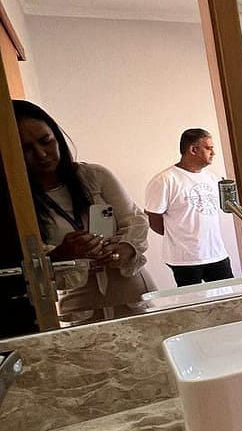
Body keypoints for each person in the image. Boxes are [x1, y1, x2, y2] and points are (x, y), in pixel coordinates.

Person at [13, 100, 152, 324]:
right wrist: (64, 254)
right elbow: (30, 265)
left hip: (132, 294)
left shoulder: (95, 176)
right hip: (79, 306)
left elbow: (135, 220)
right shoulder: (18, 201)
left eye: (46, 141)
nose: (41, 154)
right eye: (26, 149)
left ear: (57, 136)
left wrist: (125, 248)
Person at [145, 129, 234, 288]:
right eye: (208, 148)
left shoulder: (212, 178)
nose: (213, 153)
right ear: (193, 150)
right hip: (184, 259)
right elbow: (152, 216)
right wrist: (177, 235)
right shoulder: (165, 180)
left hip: (216, 254)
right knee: (193, 300)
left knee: (229, 297)